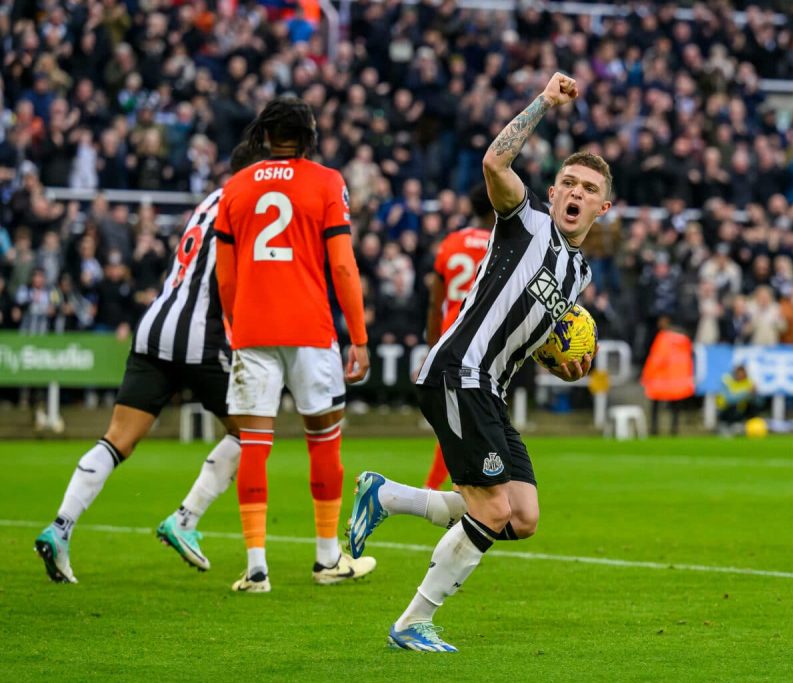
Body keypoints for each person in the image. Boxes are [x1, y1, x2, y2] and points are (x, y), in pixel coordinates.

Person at [347, 72, 608, 652]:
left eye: (587, 188)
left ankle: (385, 496)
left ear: (602, 205)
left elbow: (534, 334)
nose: (575, 192)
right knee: (490, 511)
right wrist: (544, 102)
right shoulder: (525, 222)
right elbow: (495, 162)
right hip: (457, 374)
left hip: (490, 388)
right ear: (553, 191)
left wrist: (560, 362)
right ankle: (413, 621)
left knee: (522, 516)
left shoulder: (579, 274)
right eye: (568, 181)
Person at [34, 143, 268, 584]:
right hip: (201, 334)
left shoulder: (207, 202)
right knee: (253, 431)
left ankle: (60, 528)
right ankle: (186, 518)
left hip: (154, 325)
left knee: (116, 439)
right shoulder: (245, 206)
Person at [214, 96, 375, 592]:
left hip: (254, 331)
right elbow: (343, 266)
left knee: (256, 446)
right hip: (310, 329)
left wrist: (234, 322)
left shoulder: (235, 188)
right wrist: (360, 338)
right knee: (323, 440)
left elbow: (225, 275)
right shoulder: (327, 181)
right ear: (308, 137)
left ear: (263, 136)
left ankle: (257, 567)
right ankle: (327, 559)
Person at [422, 184, 494, 490]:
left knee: (464, 421)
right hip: (480, 341)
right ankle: (437, 488)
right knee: (469, 423)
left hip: (449, 338)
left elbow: (435, 302)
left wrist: (431, 347)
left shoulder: (450, 243)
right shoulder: (500, 243)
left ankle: (456, 487)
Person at [716, 364, 760, 436]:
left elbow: (759, 402)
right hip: (725, 409)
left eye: (743, 374)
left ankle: (746, 426)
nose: (741, 376)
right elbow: (729, 399)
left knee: (754, 406)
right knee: (732, 406)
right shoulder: (727, 381)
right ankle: (726, 427)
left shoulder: (749, 382)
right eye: (739, 374)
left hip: (741, 410)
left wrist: (755, 394)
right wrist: (747, 392)